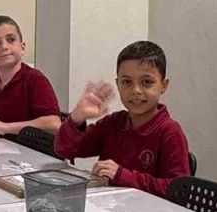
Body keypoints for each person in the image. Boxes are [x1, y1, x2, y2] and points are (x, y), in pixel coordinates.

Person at [54, 40, 190, 196]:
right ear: (118, 84)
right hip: (109, 206)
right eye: (127, 82)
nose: (136, 90)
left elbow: (179, 192)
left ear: (163, 85)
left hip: (146, 210)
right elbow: (63, 149)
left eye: (147, 82)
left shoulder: (170, 131)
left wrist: (122, 175)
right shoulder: (113, 123)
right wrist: (77, 117)